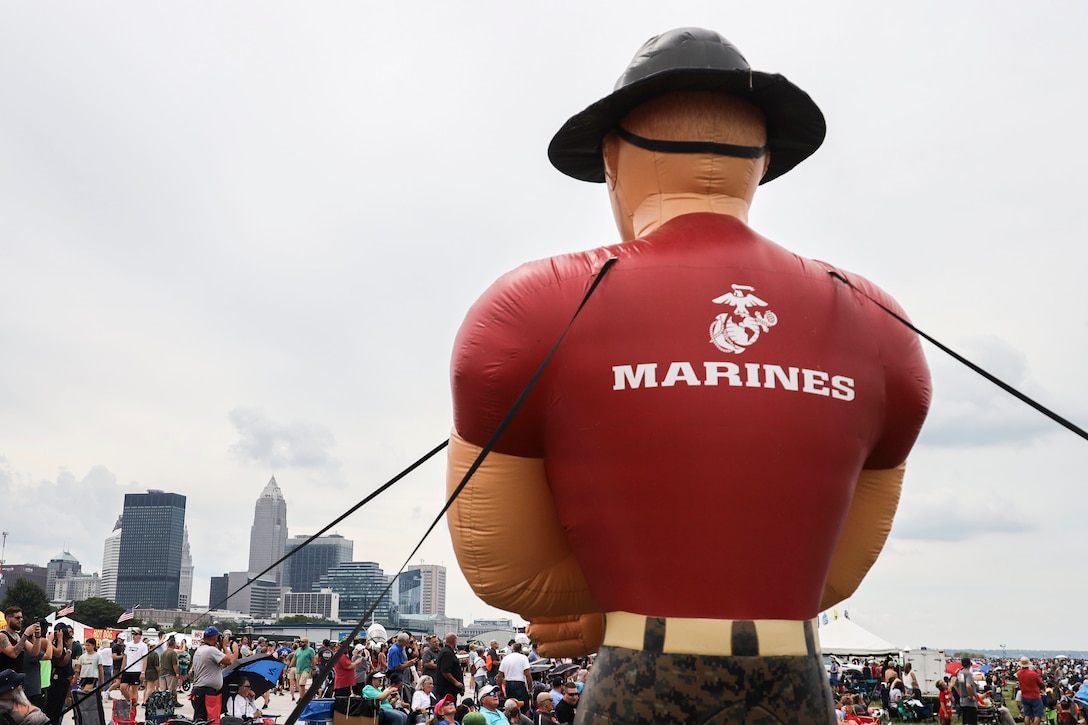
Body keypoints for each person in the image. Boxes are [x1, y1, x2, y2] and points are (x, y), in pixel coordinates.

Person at [446, 27, 931, 725]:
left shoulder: (529, 308)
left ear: (614, 160)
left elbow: (506, 564)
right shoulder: (881, 323)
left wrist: (612, 601)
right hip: (797, 688)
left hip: (639, 678)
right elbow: (835, 569)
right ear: (759, 162)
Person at [190, 626, 237, 724]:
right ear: (216, 638)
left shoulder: (200, 649)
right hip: (206, 692)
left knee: (199, 720)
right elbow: (229, 661)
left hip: (199, 691)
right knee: (207, 721)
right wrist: (225, 647)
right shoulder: (211, 651)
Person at [496, 644, 530, 714]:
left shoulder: (505, 658)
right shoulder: (523, 658)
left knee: (511, 706)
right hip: (519, 683)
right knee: (522, 706)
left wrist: (499, 689)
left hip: (508, 684)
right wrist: (530, 687)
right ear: (520, 650)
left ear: (512, 649)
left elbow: (500, 675)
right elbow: (527, 674)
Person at [435, 633, 464, 703]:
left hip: (449, 688)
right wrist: (456, 682)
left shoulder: (447, 651)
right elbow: (445, 671)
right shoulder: (447, 653)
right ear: (454, 641)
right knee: (448, 706)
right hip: (447, 688)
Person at [120, 629, 147, 702]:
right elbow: (125, 657)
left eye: (136, 634)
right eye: (133, 634)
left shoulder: (143, 646)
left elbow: (145, 660)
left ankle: (133, 705)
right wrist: (122, 669)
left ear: (140, 636)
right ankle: (129, 700)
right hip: (128, 669)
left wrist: (143, 672)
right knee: (122, 687)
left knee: (134, 689)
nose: (134, 636)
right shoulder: (128, 644)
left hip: (137, 670)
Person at [1018, 656, 1045, 725]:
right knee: (1037, 715)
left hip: (1025, 695)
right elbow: (1041, 684)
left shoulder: (1019, 673)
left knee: (1027, 715)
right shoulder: (1033, 674)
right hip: (1035, 696)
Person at [956, 658, 979, 725]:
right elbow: (968, 685)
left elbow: (955, 685)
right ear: (970, 664)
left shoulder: (960, 673)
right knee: (970, 722)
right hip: (970, 703)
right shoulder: (968, 674)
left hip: (962, 701)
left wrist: (960, 693)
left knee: (965, 721)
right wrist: (971, 696)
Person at [159, 636, 179, 704]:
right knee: (172, 689)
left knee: (163, 690)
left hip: (162, 673)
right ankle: (173, 702)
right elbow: (174, 665)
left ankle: (163, 702)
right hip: (170, 673)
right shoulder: (173, 653)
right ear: (174, 644)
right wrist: (177, 673)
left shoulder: (163, 652)